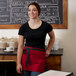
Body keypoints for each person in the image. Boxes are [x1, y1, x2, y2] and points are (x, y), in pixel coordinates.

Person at [16, 2, 55, 76]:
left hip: (39, 58)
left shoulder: (46, 26)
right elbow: (20, 46)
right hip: (26, 58)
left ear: (38, 12)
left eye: (34, 10)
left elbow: (52, 38)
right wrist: (18, 63)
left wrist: (48, 49)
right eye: (29, 10)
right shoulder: (23, 27)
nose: (31, 12)